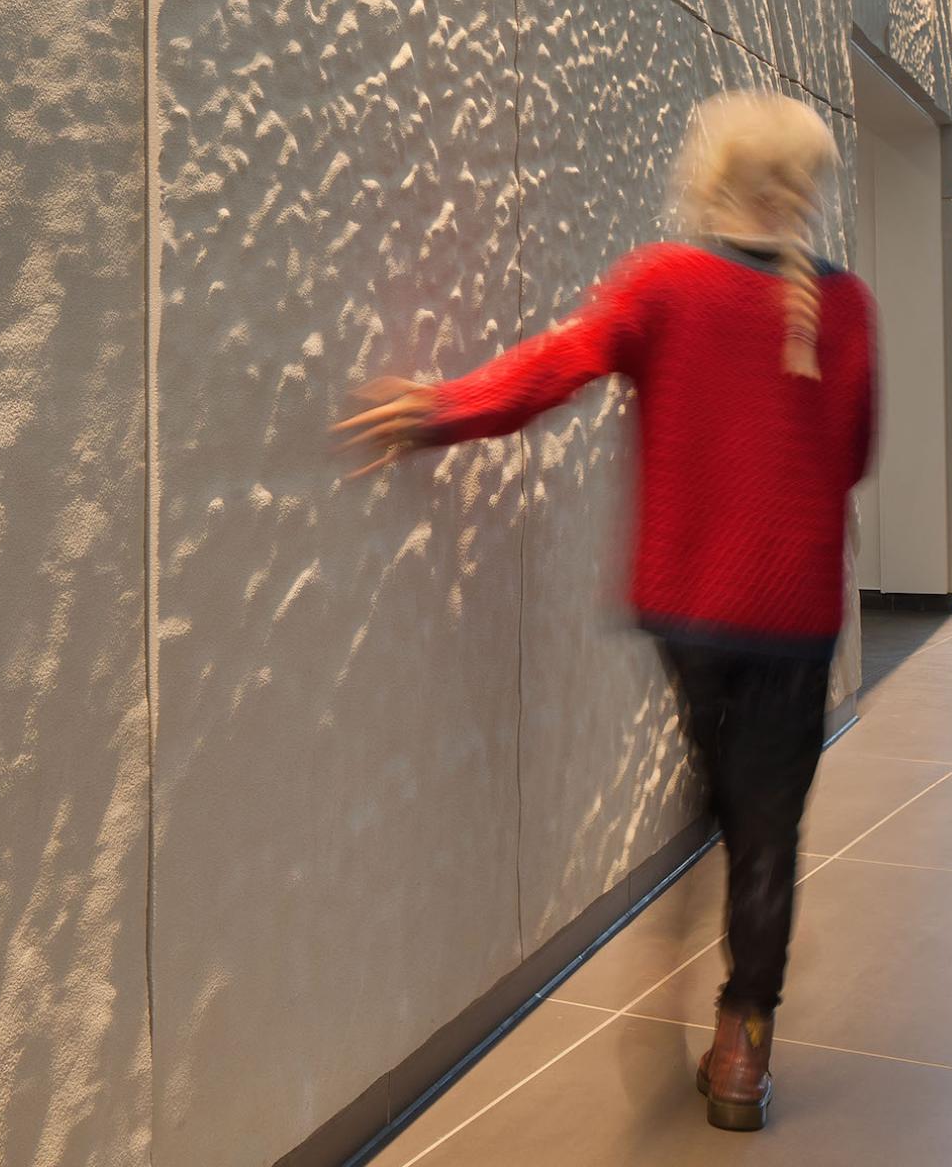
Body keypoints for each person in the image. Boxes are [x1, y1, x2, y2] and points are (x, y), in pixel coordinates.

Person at [338, 92, 876, 1135]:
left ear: (712, 182)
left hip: (686, 613)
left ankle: (708, 872)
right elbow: (854, 455)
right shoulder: (844, 306)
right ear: (804, 193)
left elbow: (558, 366)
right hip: (796, 610)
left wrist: (439, 410)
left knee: (730, 786)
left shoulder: (661, 283)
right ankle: (741, 1048)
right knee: (768, 832)